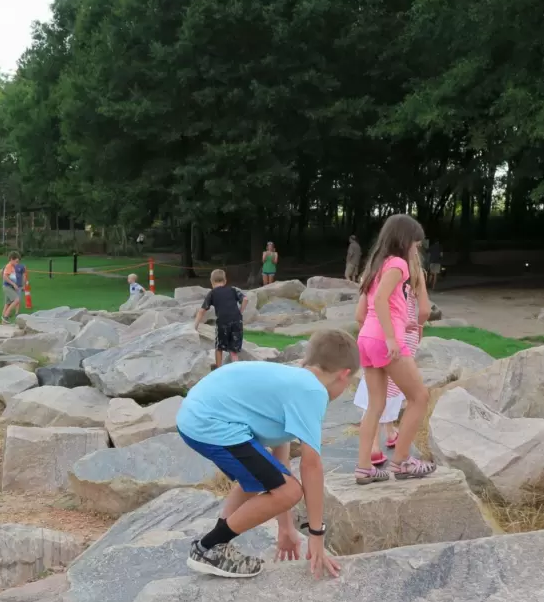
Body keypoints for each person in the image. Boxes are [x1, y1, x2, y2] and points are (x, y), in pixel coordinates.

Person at [175, 329, 360, 579]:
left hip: (196, 415)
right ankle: (208, 547)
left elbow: (277, 464)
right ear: (344, 375)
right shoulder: (313, 391)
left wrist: (285, 528)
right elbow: (311, 466)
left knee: (260, 480)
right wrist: (317, 534)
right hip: (210, 422)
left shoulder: (293, 379)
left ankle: (219, 544)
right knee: (291, 490)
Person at [353, 214, 436, 483]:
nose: (417, 249)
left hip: (366, 338)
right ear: (405, 240)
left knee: (375, 405)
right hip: (384, 341)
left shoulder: (378, 264)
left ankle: (364, 467)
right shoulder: (400, 264)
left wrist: (406, 324)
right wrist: (392, 338)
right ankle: (401, 462)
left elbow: (382, 307)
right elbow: (380, 300)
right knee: (419, 397)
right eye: (415, 243)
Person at [194, 269, 248, 369]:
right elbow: (245, 299)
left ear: (211, 281)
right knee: (233, 349)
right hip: (237, 321)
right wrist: (240, 311)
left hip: (223, 321)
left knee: (219, 347)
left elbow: (202, 311)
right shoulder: (232, 290)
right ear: (225, 280)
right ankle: (236, 368)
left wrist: (195, 326)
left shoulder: (212, 293)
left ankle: (219, 369)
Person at [0, 251, 24, 324]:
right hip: (7, 287)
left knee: (7, 303)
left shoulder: (12, 266)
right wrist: (13, 284)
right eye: (16, 261)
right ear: (11, 259)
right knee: (16, 299)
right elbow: (4, 276)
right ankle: (6, 316)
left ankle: (3, 322)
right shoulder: (9, 266)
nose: (17, 263)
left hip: (10, 287)